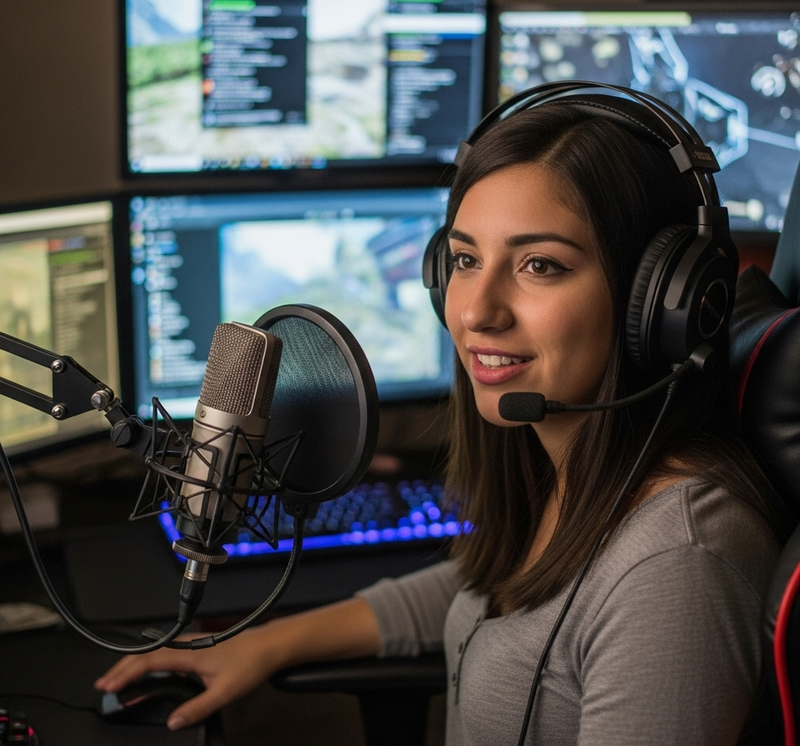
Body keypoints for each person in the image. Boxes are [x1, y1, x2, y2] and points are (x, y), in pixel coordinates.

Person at [95, 86, 781, 745]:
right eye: (464, 259)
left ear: (660, 303)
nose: (476, 311)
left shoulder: (677, 568)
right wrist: (262, 644)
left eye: (540, 264)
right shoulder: (569, 473)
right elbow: (486, 585)